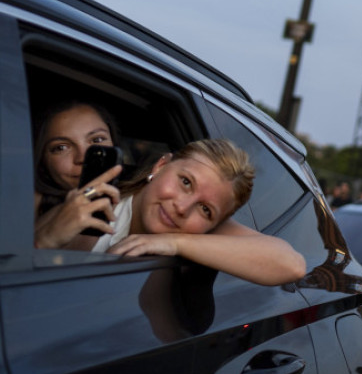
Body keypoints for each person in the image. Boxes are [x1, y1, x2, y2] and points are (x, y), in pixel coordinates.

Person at [38, 129, 306, 287]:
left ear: (216, 224)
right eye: (186, 182)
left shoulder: (196, 235)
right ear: (161, 166)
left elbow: (292, 265)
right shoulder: (84, 208)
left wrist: (175, 243)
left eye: (205, 210)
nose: (182, 207)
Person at [33, 100, 123, 250]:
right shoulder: (20, 206)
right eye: (61, 147)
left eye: (97, 140)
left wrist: (175, 243)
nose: (82, 157)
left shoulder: (144, 201)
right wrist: (47, 239)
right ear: (42, 160)